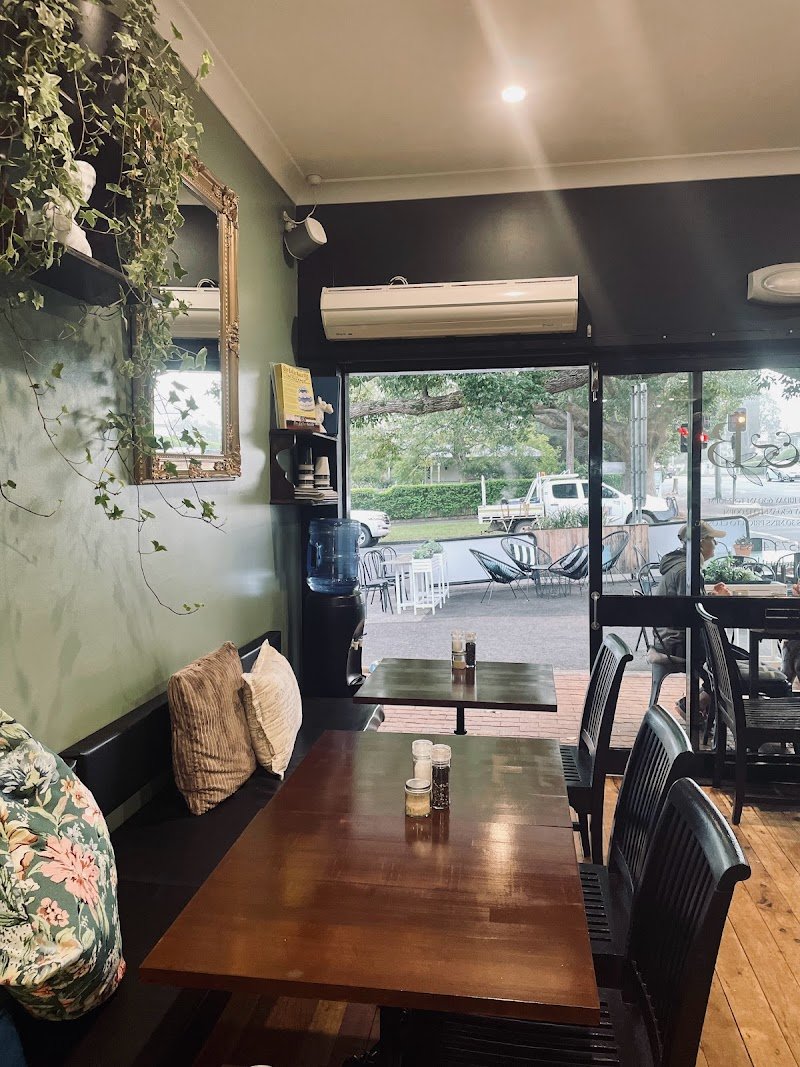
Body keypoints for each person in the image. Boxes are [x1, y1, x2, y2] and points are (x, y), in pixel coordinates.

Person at [654, 520, 729, 659]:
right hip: (679, 644)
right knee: (737, 659)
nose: (716, 543)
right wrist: (720, 601)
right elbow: (693, 615)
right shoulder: (687, 571)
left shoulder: (683, 565)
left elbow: (689, 605)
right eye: (712, 539)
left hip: (669, 639)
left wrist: (711, 596)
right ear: (701, 543)